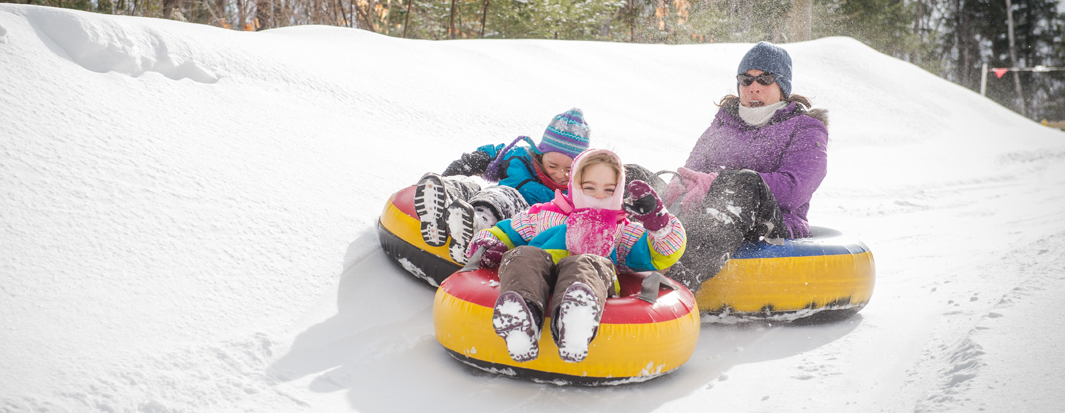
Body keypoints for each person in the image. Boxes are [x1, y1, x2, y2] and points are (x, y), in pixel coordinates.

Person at [465, 149, 687, 363]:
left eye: (609, 190)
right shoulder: (545, 215)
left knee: (585, 263)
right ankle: (521, 318)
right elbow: (506, 232)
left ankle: (576, 318)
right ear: (574, 185)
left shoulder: (621, 230)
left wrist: (660, 227)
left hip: (591, 284)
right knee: (523, 254)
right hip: (538, 280)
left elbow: (660, 254)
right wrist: (489, 244)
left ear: (619, 191)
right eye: (589, 187)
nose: (599, 195)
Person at [663, 41, 829, 291]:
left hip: (772, 224)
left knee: (744, 184)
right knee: (634, 178)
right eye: (746, 79)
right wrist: (678, 187)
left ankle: (675, 285)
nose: (754, 87)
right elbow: (691, 172)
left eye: (765, 79)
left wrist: (720, 183)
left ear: (782, 86)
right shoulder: (723, 124)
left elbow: (795, 189)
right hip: (706, 217)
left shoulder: (805, 127)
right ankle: (620, 268)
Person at [413, 108, 591, 264]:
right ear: (540, 154)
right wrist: (470, 163)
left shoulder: (578, 191)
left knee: (504, 195)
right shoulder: (520, 160)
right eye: (552, 166)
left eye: (569, 170)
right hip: (486, 200)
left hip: (516, 225)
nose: (559, 174)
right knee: (472, 187)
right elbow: (493, 155)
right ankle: (445, 198)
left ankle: (474, 226)